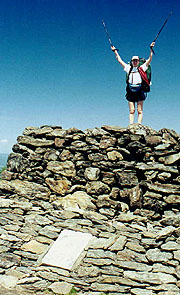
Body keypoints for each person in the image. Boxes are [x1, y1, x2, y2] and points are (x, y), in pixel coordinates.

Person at [111, 42, 155, 124]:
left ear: (138, 61)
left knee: (139, 110)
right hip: (130, 90)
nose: (135, 62)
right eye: (133, 60)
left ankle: (138, 125)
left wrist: (151, 48)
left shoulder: (142, 68)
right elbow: (119, 60)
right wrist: (115, 51)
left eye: (136, 60)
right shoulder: (128, 68)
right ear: (131, 61)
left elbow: (150, 59)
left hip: (140, 90)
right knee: (132, 111)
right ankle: (131, 126)